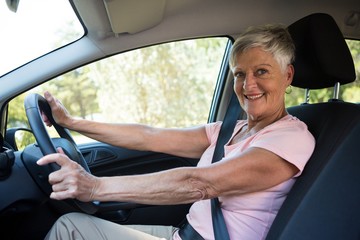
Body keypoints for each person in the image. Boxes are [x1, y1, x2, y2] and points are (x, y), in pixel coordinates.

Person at [37, 24, 315, 240]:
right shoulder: (232, 129)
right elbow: (149, 136)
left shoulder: (291, 138)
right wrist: (72, 121)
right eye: (240, 74)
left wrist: (95, 186)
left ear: (287, 75)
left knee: (69, 229)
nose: (247, 85)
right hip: (183, 233)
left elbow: (200, 183)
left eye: (262, 71)